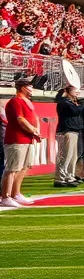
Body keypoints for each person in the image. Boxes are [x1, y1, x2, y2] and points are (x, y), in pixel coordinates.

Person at [2, 78, 40, 208]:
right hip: (16, 138)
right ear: (23, 87)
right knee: (12, 169)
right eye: (30, 86)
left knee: (24, 167)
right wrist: (33, 130)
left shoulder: (27, 101)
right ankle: (5, 196)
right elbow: (20, 119)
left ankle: (16, 193)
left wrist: (34, 132)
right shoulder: (15, 101)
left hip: (27, 138)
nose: (32, 88)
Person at [53, 85, 84, 188]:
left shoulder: (71, 102)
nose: (77, 93)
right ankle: (60, 178)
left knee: (73, 156)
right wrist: (80, 105)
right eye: (76, 91)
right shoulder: (64, 102)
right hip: (66, 131)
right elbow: (75, 111)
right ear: (69, 92)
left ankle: (69, 176)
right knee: (65, 156)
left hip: (74, 131)